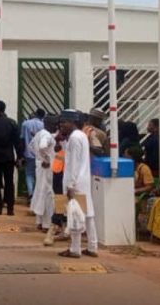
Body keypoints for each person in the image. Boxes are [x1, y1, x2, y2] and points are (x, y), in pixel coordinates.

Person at [57, 110, 98, 259]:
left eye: (64, 122)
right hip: (84, 181)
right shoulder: (81, 136)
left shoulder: (74, 138)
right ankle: (93, 247)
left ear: (73, 122)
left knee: (74, 215)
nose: (61, 125)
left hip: (75, 182)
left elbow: (73, 164)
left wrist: (70, 185)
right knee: (88, 215)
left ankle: (75, 249)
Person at [29, 115, 58, 230]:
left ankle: (39, 221)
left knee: (40, 192)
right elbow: (42, 146)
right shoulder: (46, 135)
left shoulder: (40, 133)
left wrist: (39, 157)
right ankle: (47, 224)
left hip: (40, 166)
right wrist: (46, 159)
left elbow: (31, 146)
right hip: (47, 167)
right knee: (48, 194)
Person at [21, 108, 46, 198]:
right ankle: (36, 195)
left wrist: (21, 154)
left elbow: (22, 139)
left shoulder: (25, 124)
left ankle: (30, 193)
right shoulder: (43, 125)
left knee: (29, 174)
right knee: (39, 174)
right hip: (40, 154)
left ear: (35, 114)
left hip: (28, 152)